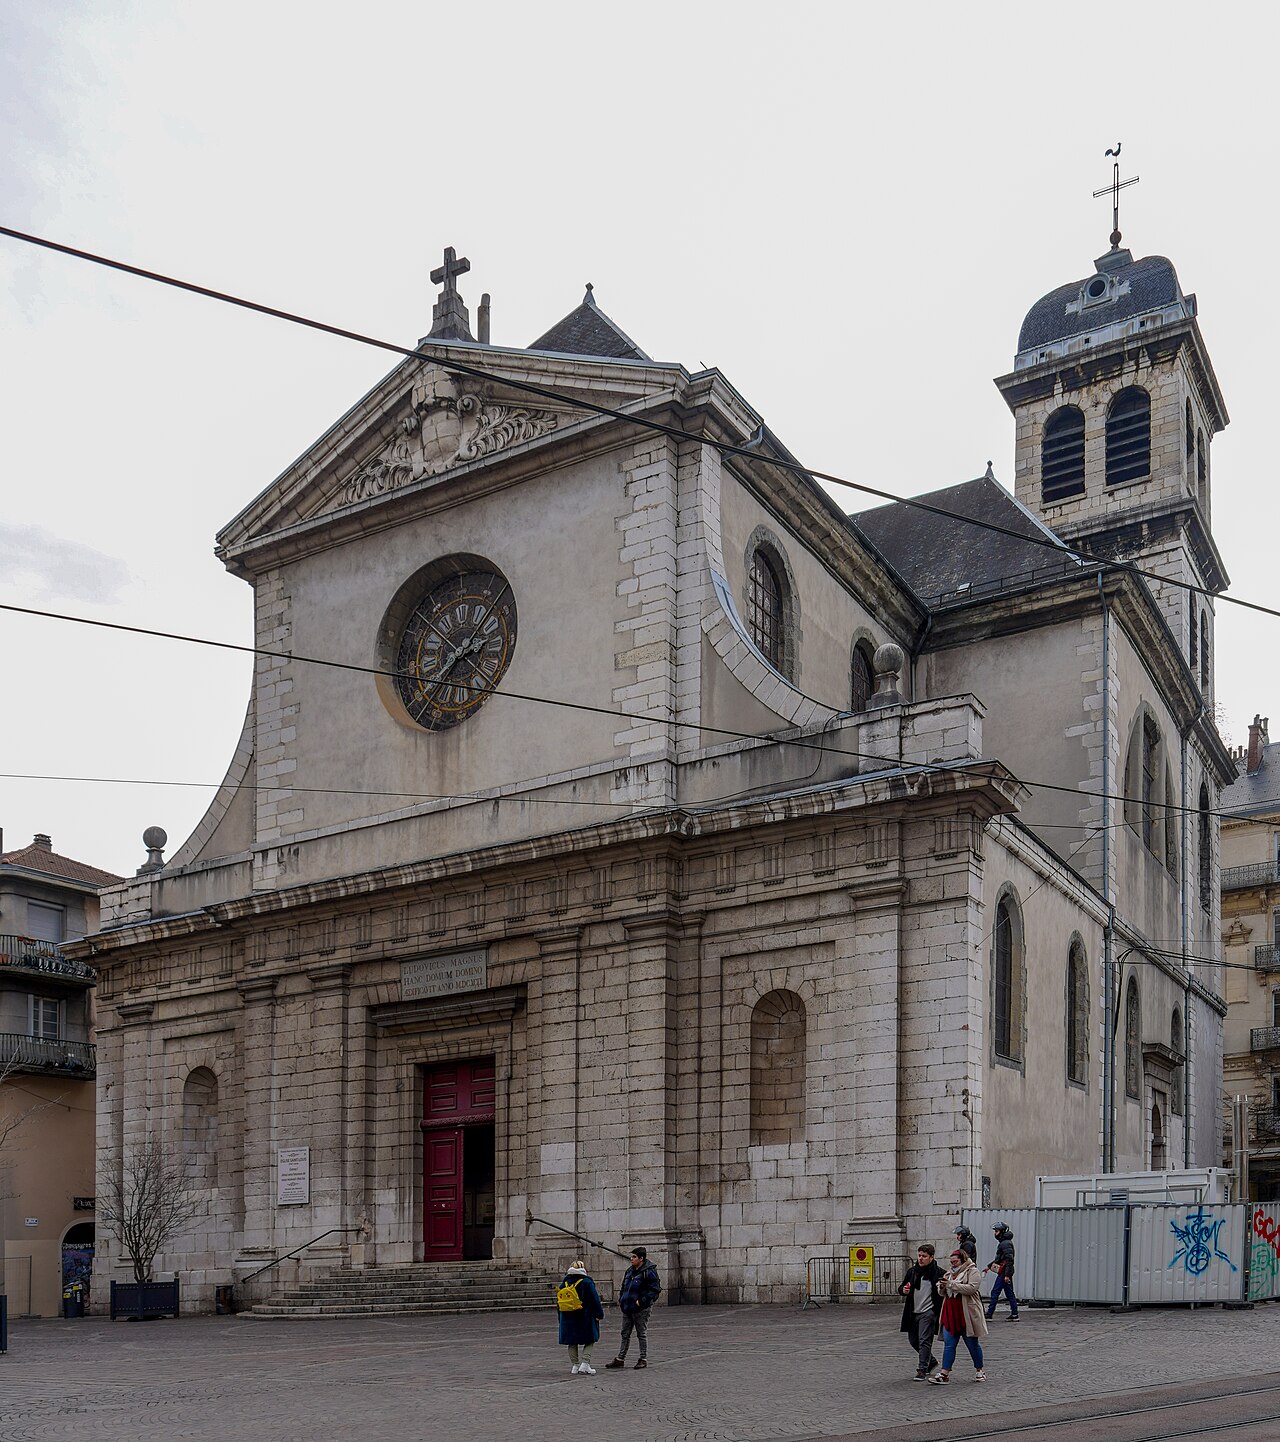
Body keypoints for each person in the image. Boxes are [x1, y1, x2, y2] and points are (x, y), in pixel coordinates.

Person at [928, 1247, 988, 1384]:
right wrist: (942, 1287)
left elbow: (972, 1288)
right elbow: (942, 1293)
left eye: (955, 1262)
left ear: (962, 1261)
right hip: (950, 1312)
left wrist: (951, 1285)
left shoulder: (972, 1271)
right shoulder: (949, 1273)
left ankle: (980, 1370)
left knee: (972, 1344)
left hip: (966, 1312)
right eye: (951, 1262)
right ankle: (944, 1373)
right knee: (949, 1344)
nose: (953, 1264)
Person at [605, 1246, 662, 1369]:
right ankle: (620, 1358)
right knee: (625, 1333)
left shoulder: (649, 1271)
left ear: (641, 1258)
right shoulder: (630, 1270)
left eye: (634, 1257)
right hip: (627, 1306)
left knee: (641, 1333)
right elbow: (624, 1286)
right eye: (631, 1256)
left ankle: (643, 1358)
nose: (631, 1259)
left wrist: (642, 1301)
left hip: (641, 1308)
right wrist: (621, 1298)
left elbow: (655, 1289)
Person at [898, 1243, 944, 1380]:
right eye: (919, 1255)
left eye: (924, 1256)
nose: (920, 1259)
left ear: (931, 1257)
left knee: (924, 1340)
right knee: (913, 1340)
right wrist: (903, 1290)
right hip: (913, 1312)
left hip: (929, 1312)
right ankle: (931, 1361)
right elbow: (902, 1287)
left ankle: (922, 1369)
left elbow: (943, 1293)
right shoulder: (912, 1272)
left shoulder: (939, 1273)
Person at [556, 1259, 605, 1376]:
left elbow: (558, 1303)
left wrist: (560, 1318)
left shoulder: (564, 1283)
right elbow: (594, 1300)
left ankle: (575, 1365)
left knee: (572, 1342)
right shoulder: (587, 1282)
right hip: (584, 1316)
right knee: (590, 1339)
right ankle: (585, 1364)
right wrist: (599, 1314)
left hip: (567, 1317)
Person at [985, 1222, 1019, 1319]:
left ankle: (990, 1313)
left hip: (1004, 1273)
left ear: (1002, 1232)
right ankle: (1014, 1314)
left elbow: (1009, 1260)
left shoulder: (1005, 1243)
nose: (995, 1233)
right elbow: (1000, 1259)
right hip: (1005, 1272)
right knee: (1009, 1293)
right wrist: (989, 1266)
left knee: (995, 1292)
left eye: (996, 1231)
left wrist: (1007, 1275)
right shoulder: (1005, 1242)